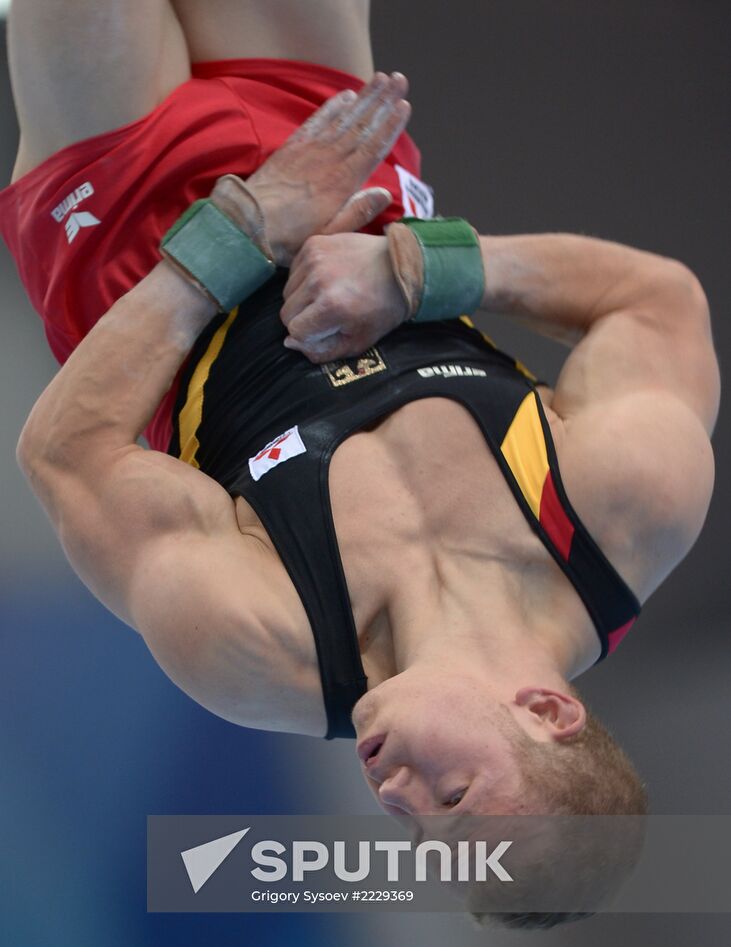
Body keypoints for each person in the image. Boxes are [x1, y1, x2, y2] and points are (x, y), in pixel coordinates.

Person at [3, 1, 720, 821]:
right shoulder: (622, 515)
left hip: (134, 243)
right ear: (546, 714)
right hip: (333, 146)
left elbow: (65, 455)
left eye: (414, 832)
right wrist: (415, 271)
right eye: (451, 797)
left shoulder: (263, 653)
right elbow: (654, 303)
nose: (394, 797)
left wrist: (239, 235)